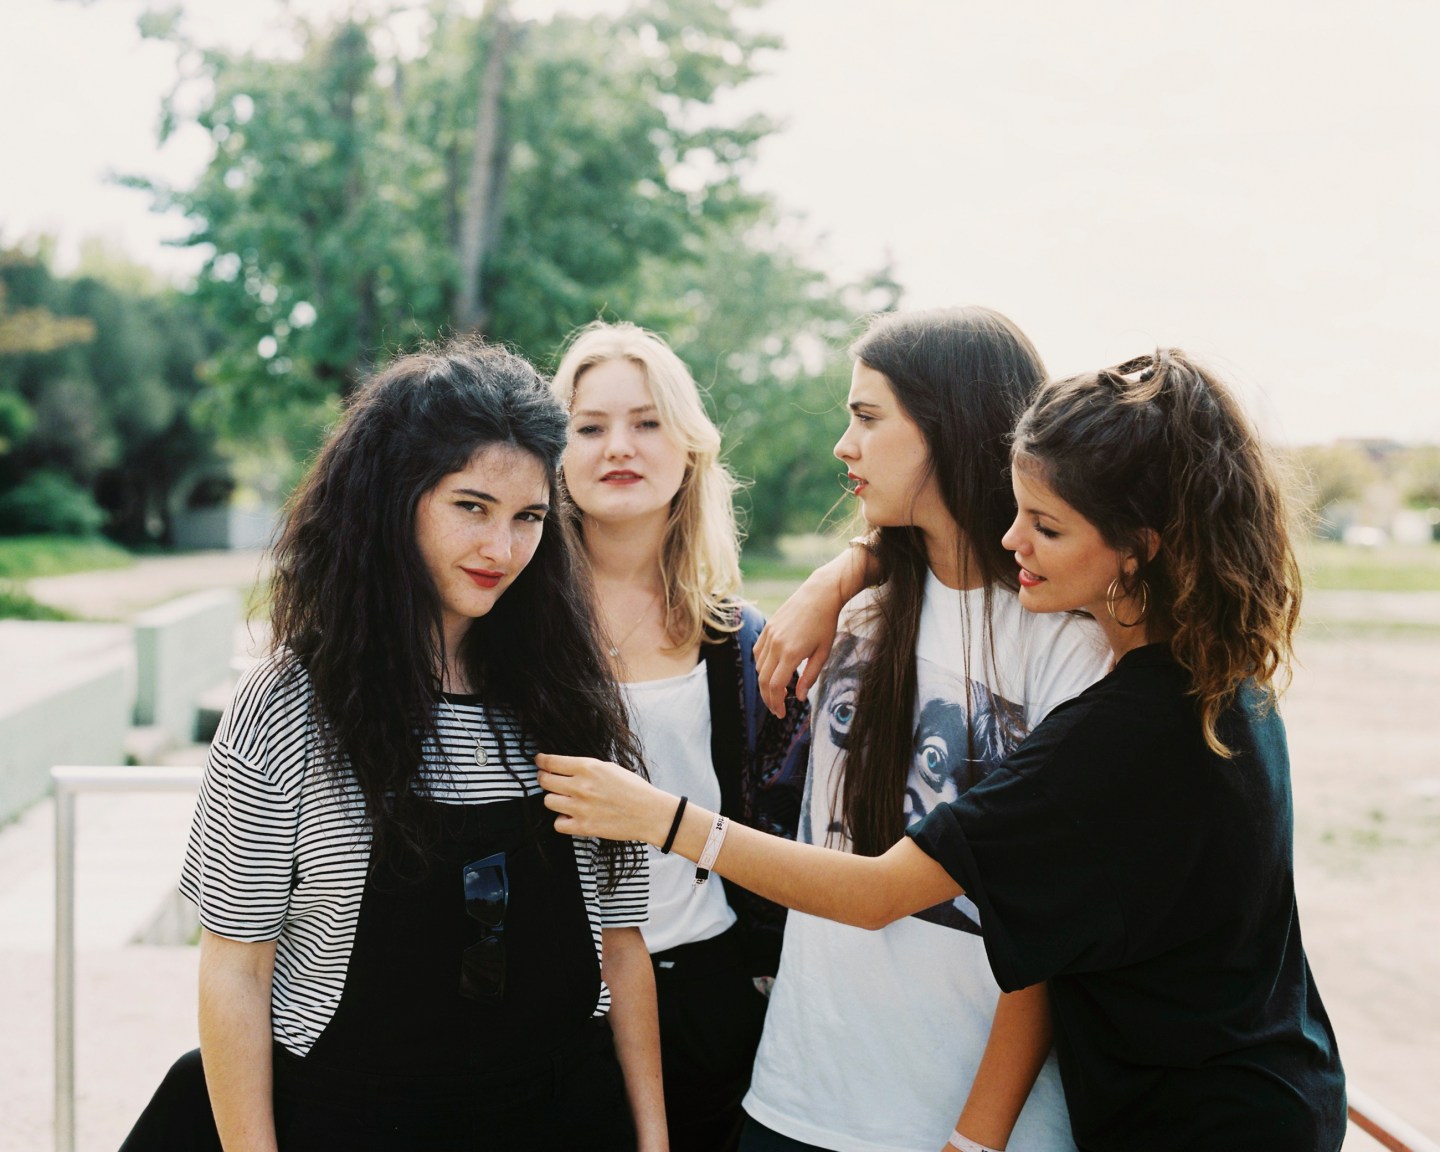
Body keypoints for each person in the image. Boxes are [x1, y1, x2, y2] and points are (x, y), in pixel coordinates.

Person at [537, 348, 1348, 1152]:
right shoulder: (1219, 682)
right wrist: (852, 566)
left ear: (1140, 546)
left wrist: (662, 819)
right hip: (1233, 1093)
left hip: (1202, 1123)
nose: (1015, 537)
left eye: (1048, 524)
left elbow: (882, 892)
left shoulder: (1126, 727)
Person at [579, 308, 1110, 1152]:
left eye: (867, 417)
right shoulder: (862, 612)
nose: (843, 444)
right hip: (795, 1098)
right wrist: (848, 570)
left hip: (965, 1118)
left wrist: (979, 1137)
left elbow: (1053, 929)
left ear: (950, 424)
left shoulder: (1067, 640)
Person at [120, 337, 666, 1151]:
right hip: (346, 1122)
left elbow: (621, 950)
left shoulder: (572, 701)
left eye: (528, 519)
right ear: (392, 500)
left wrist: (652, 1142)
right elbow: (236, 971)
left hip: (556, 1119)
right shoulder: (287, 708)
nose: (502, 550)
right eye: (470, 507)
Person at [550, 320, 810, 1152]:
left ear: (688, 446)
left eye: (647, 421)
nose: (618, 446)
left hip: (705, 987)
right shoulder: (509, 628)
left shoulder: (740, 641)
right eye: (589, 426)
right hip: (553, 993)